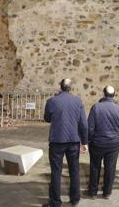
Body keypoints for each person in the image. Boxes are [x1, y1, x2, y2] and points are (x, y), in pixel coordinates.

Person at [43, 78, 88, 207]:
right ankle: (75, 199)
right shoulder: (78, 101)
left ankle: (55, 202)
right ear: (70, 88)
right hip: (73, 141)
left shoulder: (52, 101)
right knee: (74, 170)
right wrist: (84, 142)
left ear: (60, 87)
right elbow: (83, 124)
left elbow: (47, 118)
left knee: (56, 172)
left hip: (57, 141)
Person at [87, 86, 119, 199]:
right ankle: (107, 192)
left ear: (103, 93)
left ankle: (92, 192)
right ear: (114, 94)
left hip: (97, 143)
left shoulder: (96, 107)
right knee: (110, 168)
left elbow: (90, 128)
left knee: (95, 167)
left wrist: (89, 140)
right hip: (113, 144)